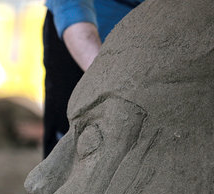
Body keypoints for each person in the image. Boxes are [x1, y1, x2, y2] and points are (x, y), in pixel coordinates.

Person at [42, 0, 143, 158]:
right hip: (80, 33)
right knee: (69, 146)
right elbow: (71, 8)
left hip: (142, 35)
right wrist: (112, 84)